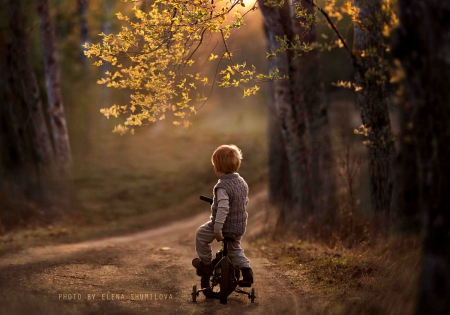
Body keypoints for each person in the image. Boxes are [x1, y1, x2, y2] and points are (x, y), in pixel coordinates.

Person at [192, 144, 253, 286]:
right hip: (238, 227)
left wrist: (218, 229)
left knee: (201, 235)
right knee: (235, 250)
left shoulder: (222, 186)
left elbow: (223, 209)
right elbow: (244, 201)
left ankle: (206, 264)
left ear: (217, 168)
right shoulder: (242, 183)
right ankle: (247, 273)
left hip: (223, 226)